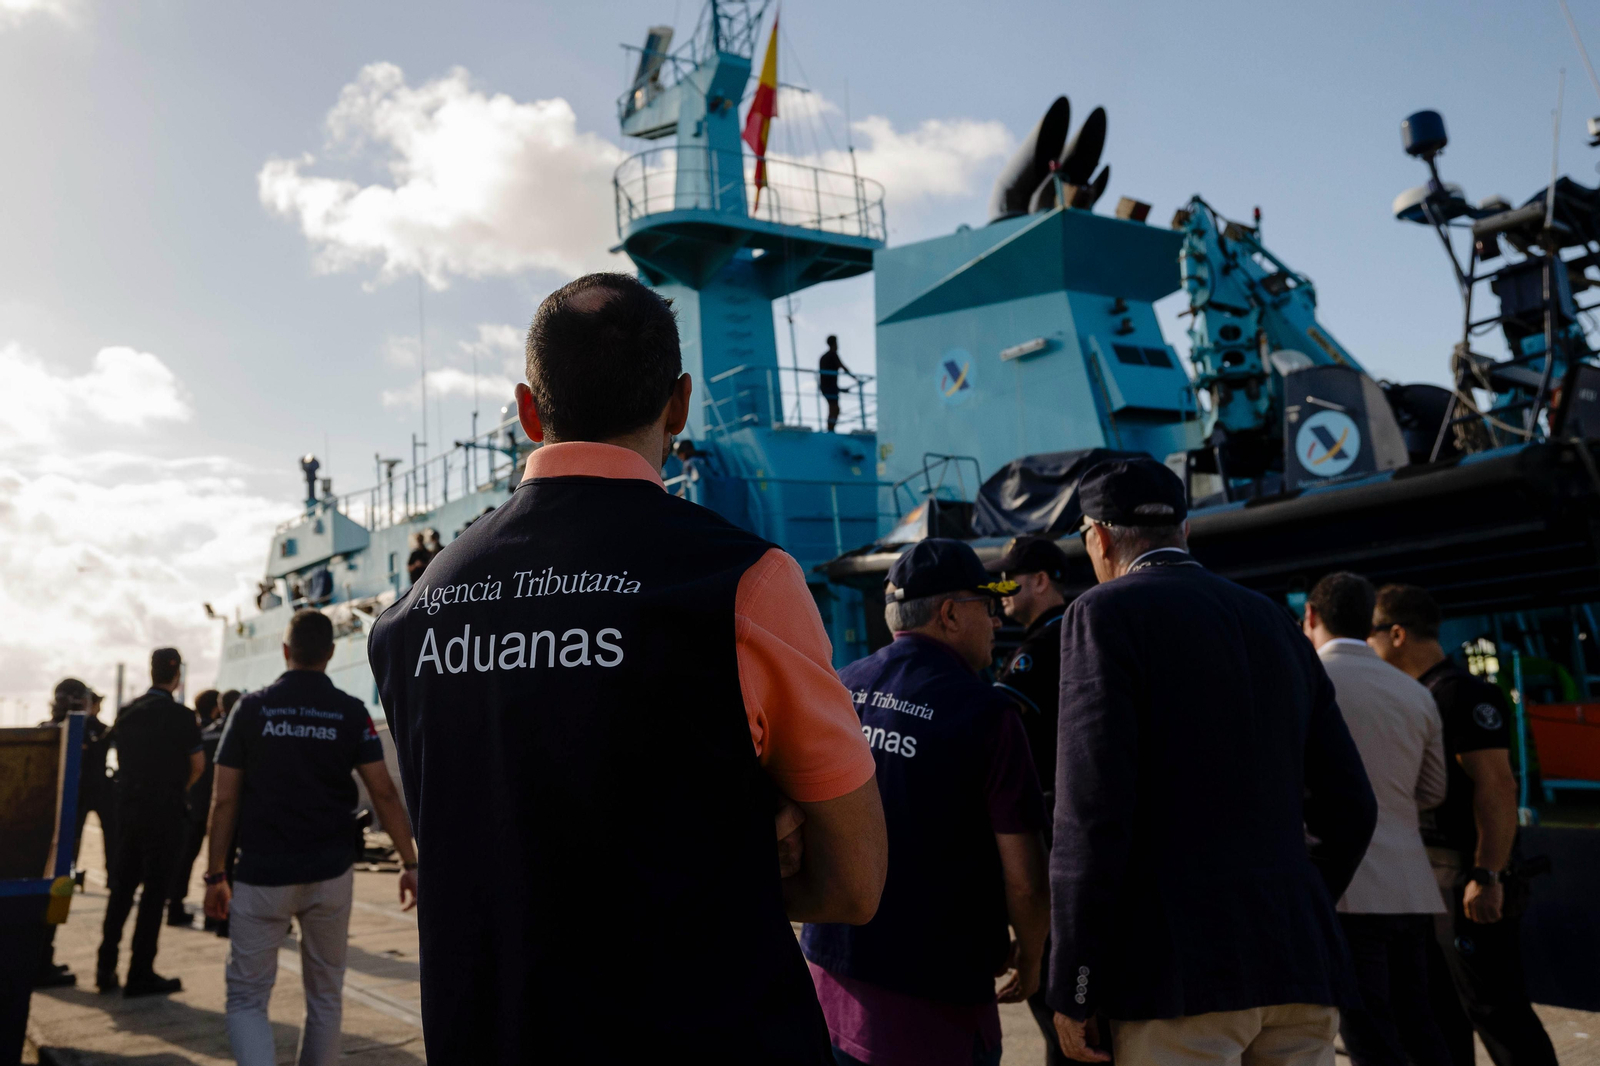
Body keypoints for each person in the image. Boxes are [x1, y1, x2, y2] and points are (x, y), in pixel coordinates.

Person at [369, 271, 888, 1064]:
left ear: (528, 410)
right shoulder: (743, 585)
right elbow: (855, 882)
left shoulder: (410, 619)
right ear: (679, 404)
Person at [1050, 457, 1377, 1066]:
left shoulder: (1103, 614)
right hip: (1297, 960)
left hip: (1176, 972)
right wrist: (1291, 896)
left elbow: (1092, 816)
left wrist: (1075, 982)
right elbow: (1351, 805)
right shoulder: (1274, 621)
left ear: (1096, 538)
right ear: (1186, 531)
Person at [802, 539, 1048, 1066]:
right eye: (986, 606)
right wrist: (1033, 955)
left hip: (831, 986)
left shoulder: (842, 687)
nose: (997, 620)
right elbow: (1024, 878)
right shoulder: (987, 715)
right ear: (950, 614)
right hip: (931, 1009)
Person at [203, 608, 419, 1066]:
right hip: (330, 873)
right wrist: (410, 863)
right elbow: (383, 791)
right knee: (325, 995)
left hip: (262, 874)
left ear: (286, 652)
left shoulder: (251, 709)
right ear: (331, 652)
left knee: (247, 998)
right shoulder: (350, 711)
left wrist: (213, 874)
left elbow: (223, 801)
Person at [1369, 585, 1558, 1066]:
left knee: (1496, 1012)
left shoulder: (1461, 694)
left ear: (1396, 634)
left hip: (1468, 885)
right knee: (1439, 1016)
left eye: (1369, 635)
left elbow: (1497, 787)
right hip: (1432, 886)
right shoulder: (1420, 697)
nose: (1365, 648)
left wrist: (1488, 875)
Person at [1300, 572, 1451, 1066]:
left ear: (1310, 616)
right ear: (1370, 623)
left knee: (1368, 1034)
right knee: (1418, 1021)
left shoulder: (1302, 678)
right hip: (1410, 887)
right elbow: (1433, 790)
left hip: (1341, 889)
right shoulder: (1414, 692)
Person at [986, 535, 1072, 1065]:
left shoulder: (1040, 649)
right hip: (1083, 823)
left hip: (1051, 829)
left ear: (1041, 580)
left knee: (1059, 1002)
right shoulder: (1086, 631)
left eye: (1008, 583)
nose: (999, 595)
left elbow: (998, 725)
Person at [96, 648, 203, 997]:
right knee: (155, 893)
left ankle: (105, 966)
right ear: (178, 676)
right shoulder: (182, 716)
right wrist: (176, 789)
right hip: (166, 811)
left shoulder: (128, 712)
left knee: (122, 889)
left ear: (150, 670)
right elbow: (198, 766)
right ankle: (140, 972)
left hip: (128, 809)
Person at [167, 689, 222, 927]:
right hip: (219, 806)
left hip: (194, 805)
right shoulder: (224, 734)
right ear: (215, 709)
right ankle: (216, 915)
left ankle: (175, 906)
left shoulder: (196, 734)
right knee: (220, 862)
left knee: (185, 858)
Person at [819, 334, 853, 433]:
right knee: (835, 408)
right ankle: (830, 429)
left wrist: (841, 389)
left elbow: (827, 378)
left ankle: (830, 429)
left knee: (833, 408)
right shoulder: (832, 355)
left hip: (827, 387)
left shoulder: (824, 357)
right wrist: (855, 378)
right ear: (834, 343)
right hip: (830, 388)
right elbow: (842, 367)